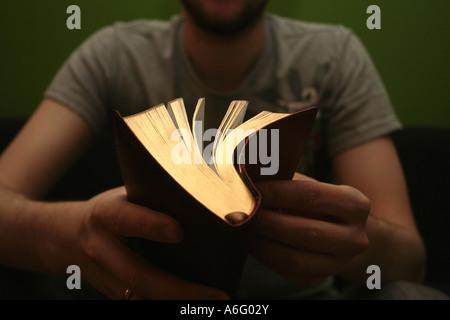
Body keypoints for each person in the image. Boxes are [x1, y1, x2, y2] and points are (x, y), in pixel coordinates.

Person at [0, 0, 447, 300]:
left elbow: (412, 257)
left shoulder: (335, 55)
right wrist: (78, 235)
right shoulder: (114, 53)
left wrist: (357, 245)